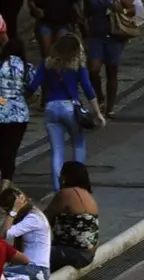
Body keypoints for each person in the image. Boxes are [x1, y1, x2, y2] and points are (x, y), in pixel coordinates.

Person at [27, 33, 104, 192]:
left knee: (57, 151)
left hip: (51, 108)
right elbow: (88, 89)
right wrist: (97, 113)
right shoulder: (77, 66)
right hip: (70, 108)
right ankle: (79, 187)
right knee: (78, 145)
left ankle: (58, 190)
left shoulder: (47, 63)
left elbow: (33, 85)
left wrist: (21, 97)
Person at [83, 0, 129, 117]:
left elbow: (132, 10)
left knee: (112, 71)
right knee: (93, 70)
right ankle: (100, 97)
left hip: (114, 37)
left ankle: (110, 107)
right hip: (96, 36)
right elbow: (86, 14)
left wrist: (119, 8)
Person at [46, 161, 98, 271]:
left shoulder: (66, 194)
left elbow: (43, 218)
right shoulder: (86, 195)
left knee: (32, 254)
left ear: (65, 178)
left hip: (75, 254)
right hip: (87, 254)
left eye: (60, 175)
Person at [0, 20, 32, 186]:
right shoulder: (26, 67)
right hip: (19, 115)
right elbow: (32, 87)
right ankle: (6, 182)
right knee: (11, 150)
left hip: (0, 111)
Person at [1, 188, 49, 280]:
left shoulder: (33, 218)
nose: (6, 214)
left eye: (6, 210)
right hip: (28, 266)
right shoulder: (30, 215)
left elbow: (4, 234)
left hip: (37, 269)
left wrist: (14, 211)